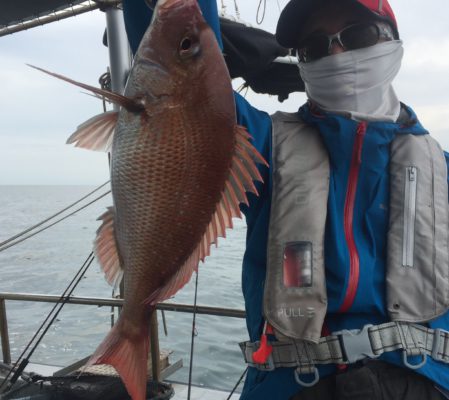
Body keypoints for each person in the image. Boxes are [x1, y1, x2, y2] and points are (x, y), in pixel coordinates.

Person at [122, 0, 449, 399]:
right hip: (291, 386)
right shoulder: (265, 145)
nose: (336, 53)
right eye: (314, 47)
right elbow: (183, 75)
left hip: (426, 383)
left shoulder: (443, 169)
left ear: (394, 43)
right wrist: (178, 12)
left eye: (358, 35)